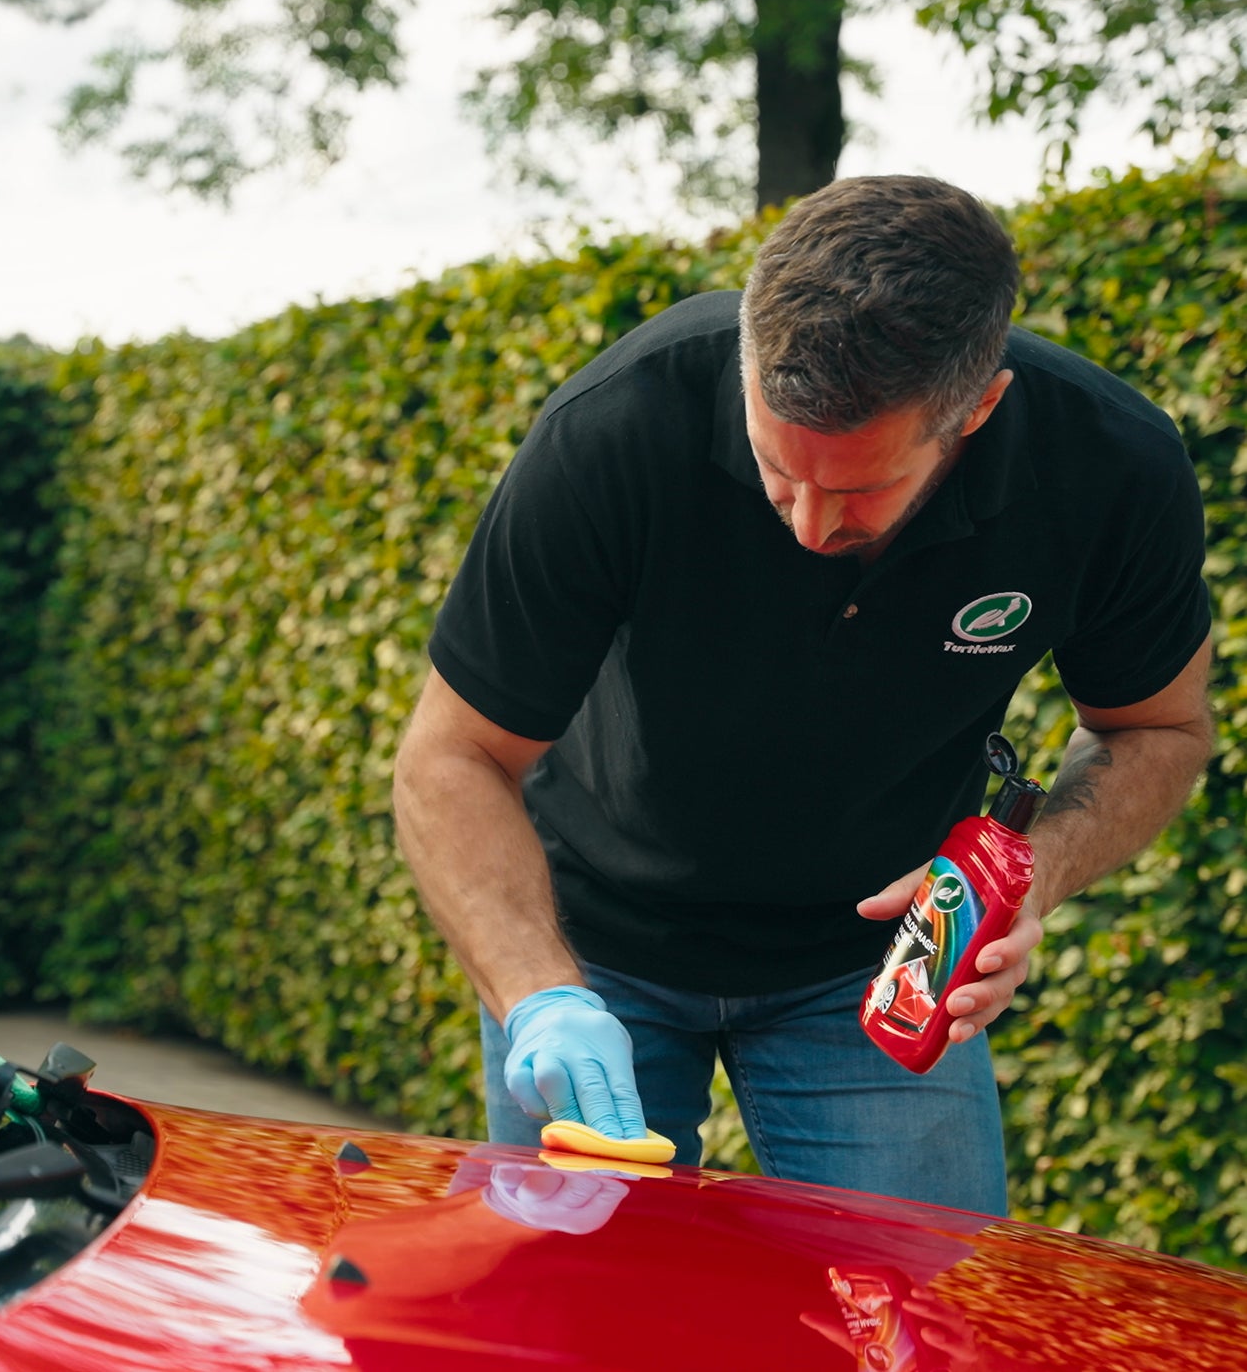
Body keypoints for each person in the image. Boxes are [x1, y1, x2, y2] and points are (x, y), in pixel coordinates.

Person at [391, 175, 1214, 1215]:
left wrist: (1028, 874)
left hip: (876, 969)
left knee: (918, 1322)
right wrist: (538, 994)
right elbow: (449, 756)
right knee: (572, 1319)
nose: (809, 525)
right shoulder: (615, 427)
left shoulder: (1108, 468)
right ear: (742, 359)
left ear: (977, 409)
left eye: (859, 488)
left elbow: (1158, 726)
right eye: (778, 468)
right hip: (592, 946)